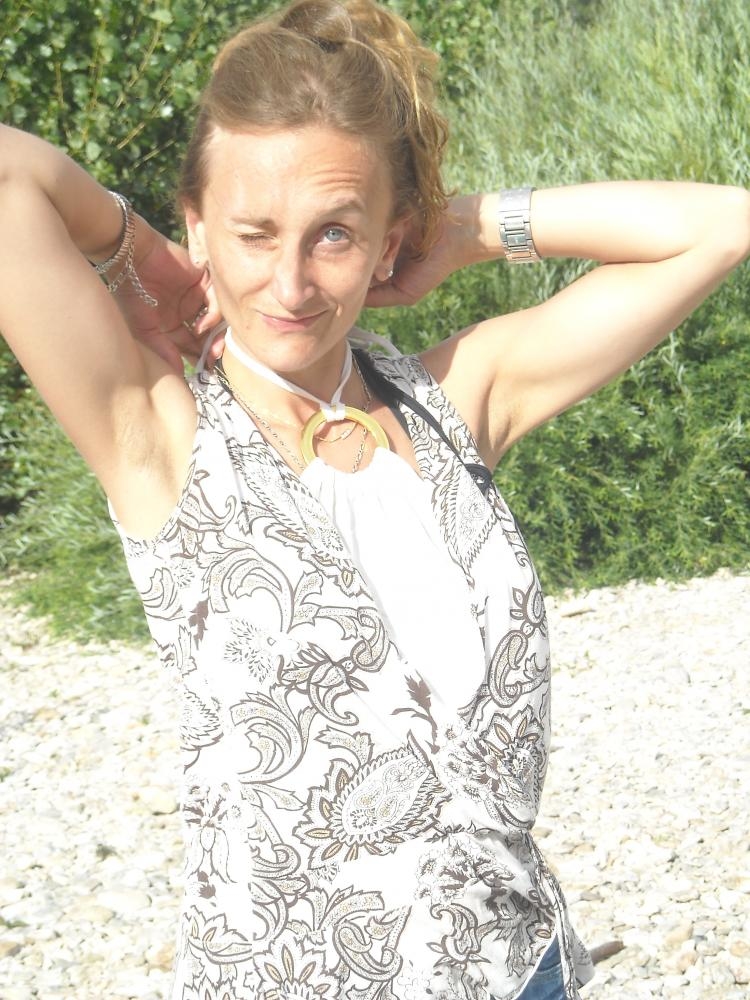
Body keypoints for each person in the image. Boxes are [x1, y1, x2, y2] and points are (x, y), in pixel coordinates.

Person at [1, 1, 748, 997]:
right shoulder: (159, 439)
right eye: (254, 233)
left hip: (523, 969)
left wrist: (464, 229)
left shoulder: (457, 400)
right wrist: (134, 250)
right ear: (200, 225)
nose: (291, 283)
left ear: (388, 242)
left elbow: (721, 225)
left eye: (335, 236)